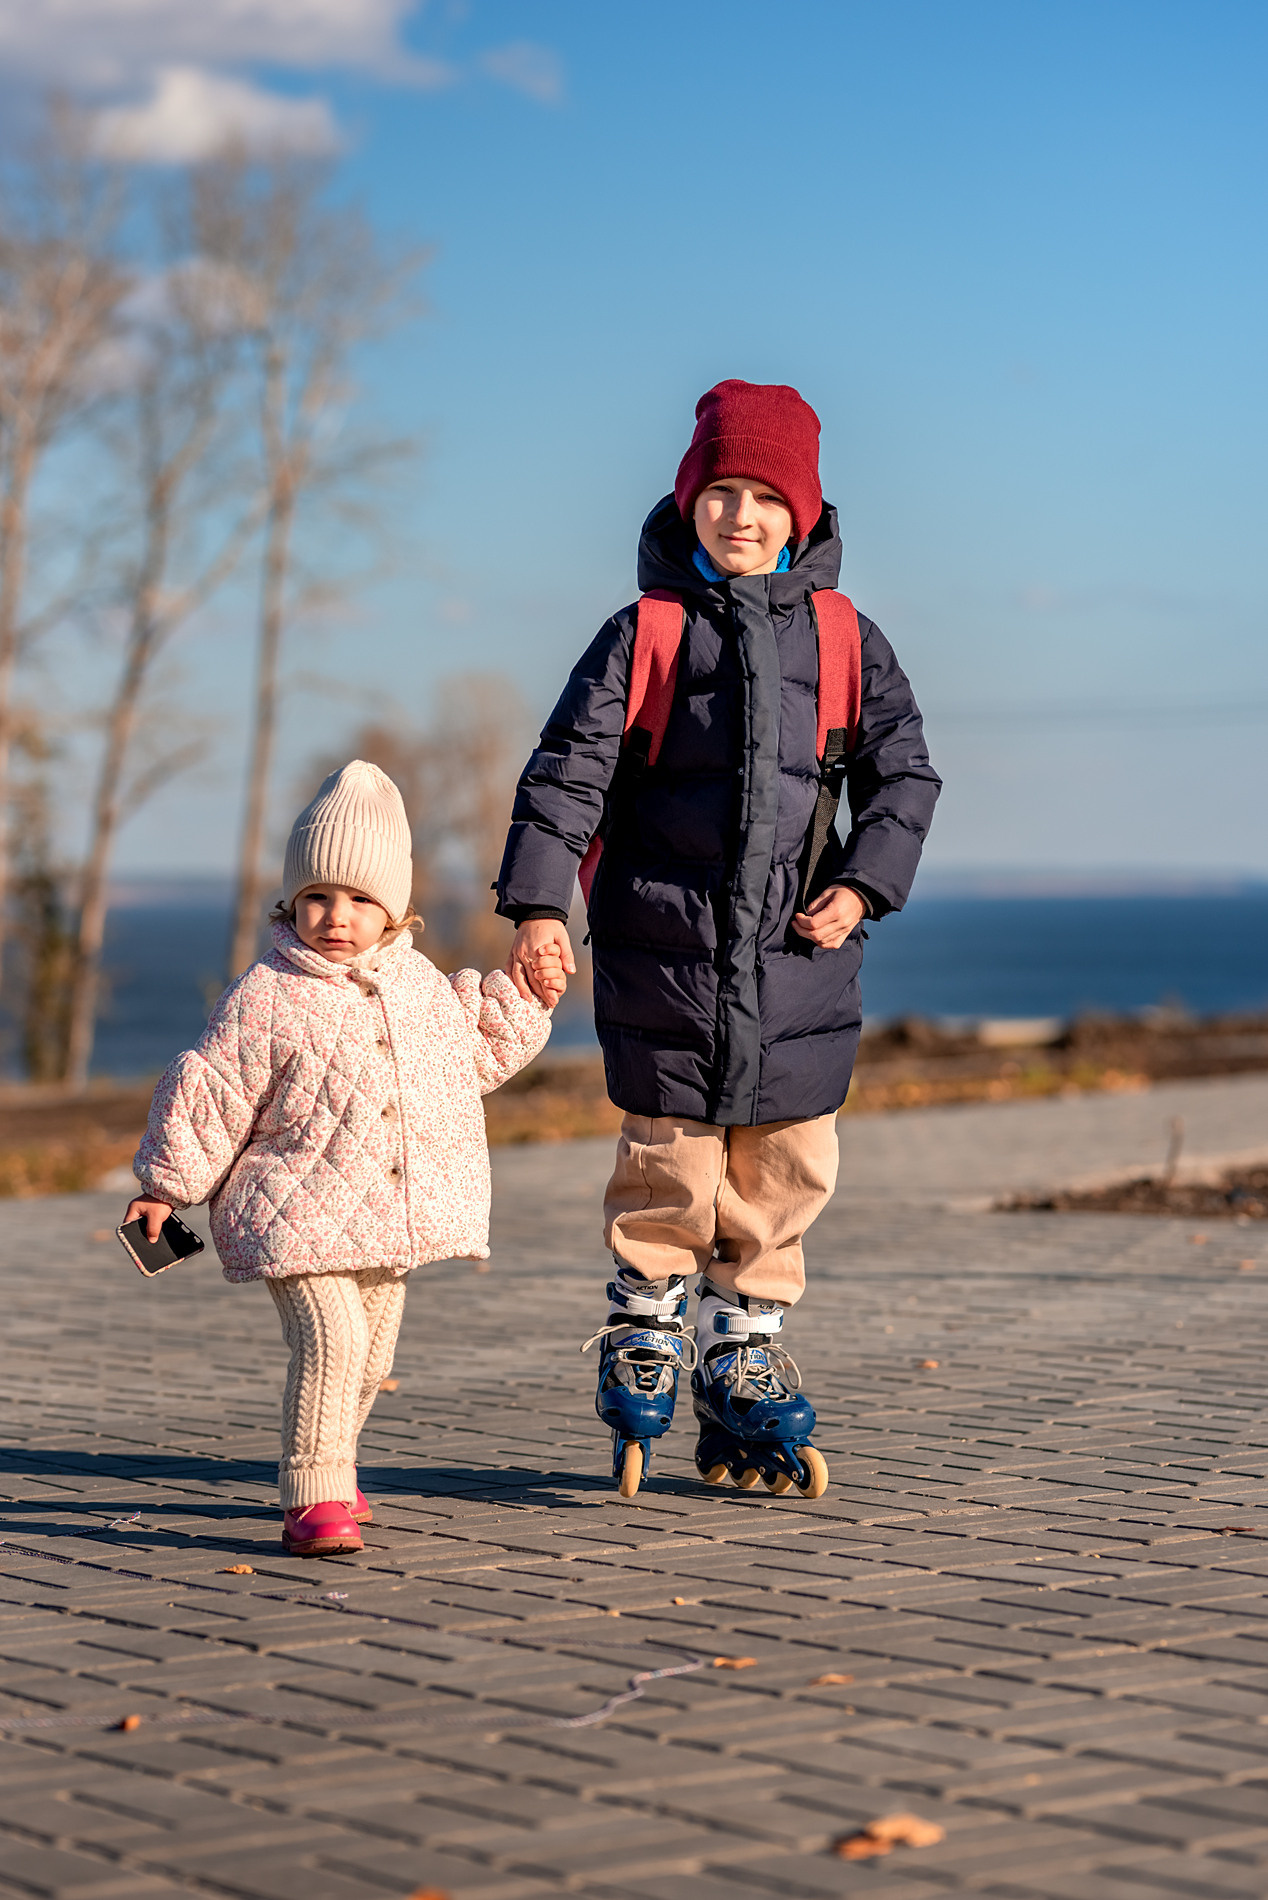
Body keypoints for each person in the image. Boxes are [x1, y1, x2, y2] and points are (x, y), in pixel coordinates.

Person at [495, 379, 940, 1499]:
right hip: (662, 955)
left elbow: (903, 778)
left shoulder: (846, 639)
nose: (740, 515)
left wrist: (862, 887)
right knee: (670, 1157)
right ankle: (646, 1322)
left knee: (785, 1164)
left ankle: (743, 1341)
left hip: (799, 964)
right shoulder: (641, 633)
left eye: (764, 497)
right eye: (721, 492)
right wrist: (543, 907)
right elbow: (566, 780)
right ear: (688, 500)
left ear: (803, 513)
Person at [126, 760, 555, 1557]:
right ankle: (313, 1496)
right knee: (333, 1341)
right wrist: (165, 1185)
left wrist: (524, 998)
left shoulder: (419, 985)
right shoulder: (266, 993)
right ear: (291, 900)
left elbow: (462, 1061)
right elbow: (216, 1090)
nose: (336, 915)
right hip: (287, 1205)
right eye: (317, 895)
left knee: (374, 1353)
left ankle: (335, 1465)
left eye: (361, 899)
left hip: (384, 1211)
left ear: (393, 910)